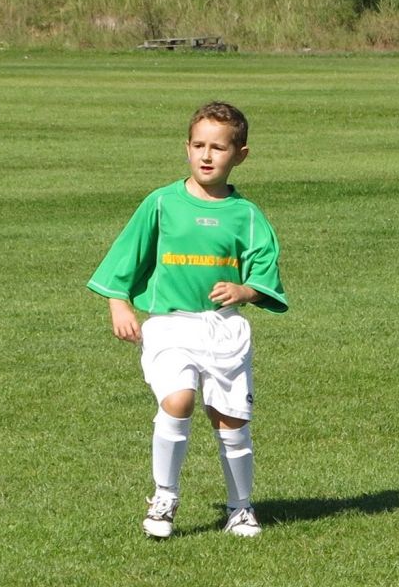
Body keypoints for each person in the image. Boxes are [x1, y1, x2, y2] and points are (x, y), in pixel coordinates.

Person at [88, 101, 288, 538]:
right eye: (199, 145)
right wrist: (119, 303)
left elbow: (263, 273)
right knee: (177, 401)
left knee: (231, 422)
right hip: (169, 325)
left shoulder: (247, 215)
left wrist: (245, 291)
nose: (207, 155)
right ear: (187, 148)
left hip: (223, 329)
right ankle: (164, 498)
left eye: (219, 147)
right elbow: (126, 257)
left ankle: (240, 508)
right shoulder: (161, 203)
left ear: (240, 155)